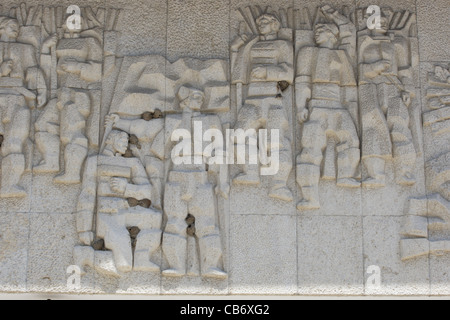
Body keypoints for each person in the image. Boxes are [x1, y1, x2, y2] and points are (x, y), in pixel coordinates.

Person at [76, 129, 162, 273]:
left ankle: (142, 258)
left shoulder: (133, 163)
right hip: (107, 213)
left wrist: (127, 188)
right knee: (124, 265)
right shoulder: (94, 161)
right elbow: (87, 194)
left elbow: (148, 192)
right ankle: (86, 254)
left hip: (128, 209)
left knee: (155, 218)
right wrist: (83, 229)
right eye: (122, 140)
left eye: (127, 141)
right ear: (110, 140)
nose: (126, 144)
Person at [296, 17, 361, 210]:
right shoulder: (308, 53)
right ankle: (309, 197)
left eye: (322, 28)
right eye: (316, 28)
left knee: (351, 142)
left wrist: (351, 110)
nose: (317, 31)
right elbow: (302, 83)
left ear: (333, 35)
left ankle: (346, 175)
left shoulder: (341, 56)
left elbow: (349, 87)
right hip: (317, 106)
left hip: (338, 107)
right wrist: (301, 106)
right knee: (309, 151)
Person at [231, 13, 294, 202]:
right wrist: (235, 49)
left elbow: (289, 73)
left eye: (265, 22)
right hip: (252, 99)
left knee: (275, 143)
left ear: (275, 25)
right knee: (239, 136)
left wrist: (267, 72)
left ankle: (279, 185)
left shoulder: (283, 45)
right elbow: (239, 71)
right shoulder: (251, 46)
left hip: (273, 100)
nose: (261, 25)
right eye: (259, 22)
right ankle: (250, 172)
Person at [358, 15, 416, 188]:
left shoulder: (397, 43)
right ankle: (376, 174)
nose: (382, 22)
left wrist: (407, 89)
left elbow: (405, 68)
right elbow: (358, 69)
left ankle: (404, 171)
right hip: (370, 88)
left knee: (400, 127)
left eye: (384, 20)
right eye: (377, 20)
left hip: (394, 87)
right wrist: (373, 68)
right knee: (372, 128)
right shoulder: (363, 42)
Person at [0, 16, 47, 197]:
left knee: (15, 144)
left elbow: (34, 71)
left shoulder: (25, 49)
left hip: (19, 99)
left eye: (17, 26)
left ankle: (9, 184)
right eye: (12, 26)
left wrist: (42, 90)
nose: (16, 29)